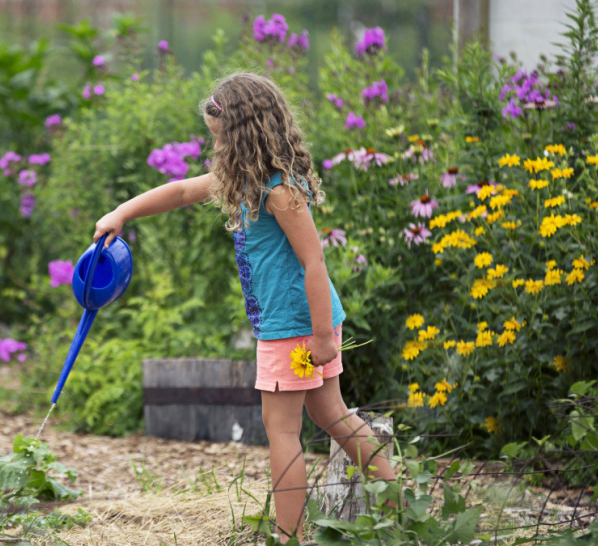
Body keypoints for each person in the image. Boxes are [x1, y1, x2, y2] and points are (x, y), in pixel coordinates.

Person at [92, 72, 396, 544]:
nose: (217, 151)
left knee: (281, 432)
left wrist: (318, 336)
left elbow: (314, 261)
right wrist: (123, 213)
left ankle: (288, 537)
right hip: (303, 322)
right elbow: (179, 191)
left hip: (293, 326)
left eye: (220, 141)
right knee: (331, 415)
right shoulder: (248, 179)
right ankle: (400, 504)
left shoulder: (278, 191)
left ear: (241, 136)